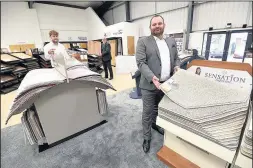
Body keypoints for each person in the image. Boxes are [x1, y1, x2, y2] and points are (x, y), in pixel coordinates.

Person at [135, 15, 181, 153]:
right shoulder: (143, 42)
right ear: (150, 27)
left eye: (159, 23)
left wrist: (177, 67)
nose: (157, 26)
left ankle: (155, 125)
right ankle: (146, 137)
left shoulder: (171, 40)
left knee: (159, 109)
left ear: (164, 25)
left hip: (166, 84)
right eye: (154, 24)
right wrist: (152, 77)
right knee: (148, 112)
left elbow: (176, 58)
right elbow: (141, 62)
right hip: (149, 84)